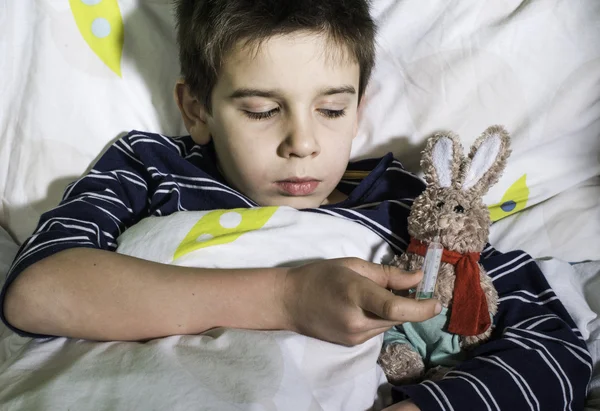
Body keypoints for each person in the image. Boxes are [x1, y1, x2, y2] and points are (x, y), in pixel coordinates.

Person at [0, 1, 591, 410]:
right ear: (197, 109)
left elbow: (551, 343)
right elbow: (37, 292)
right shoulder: (150, 167)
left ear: (360, 109)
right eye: (261, 110)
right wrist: (289, 296)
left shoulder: (411, 208)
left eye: (332, 111)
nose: (302, 144)